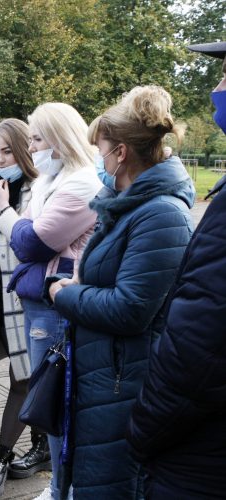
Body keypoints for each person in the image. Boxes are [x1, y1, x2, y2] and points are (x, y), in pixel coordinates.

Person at [47, 85, 195, 499]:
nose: (98, 157)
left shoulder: (161, 214)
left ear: (121, 153)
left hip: (124, 380)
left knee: (113, 485)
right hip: (106, 373)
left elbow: (131, 309)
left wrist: (64, 294)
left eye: (101, 148)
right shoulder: (125, 204)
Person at [127, 41, 226, 500]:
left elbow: (198, 344)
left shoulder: (165, 211)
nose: (217, 88)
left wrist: (144, 429)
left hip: (201, 460)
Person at [0, 103, 102, 500]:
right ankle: (59, 486)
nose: (30, 147)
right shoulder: (52, 181)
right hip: (42, 299)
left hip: (56, 303)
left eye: (36, 138)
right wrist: (24, 225)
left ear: (58, 139)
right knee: (51, 400)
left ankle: (61, 490)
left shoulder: (80, 184)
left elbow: (31, 242)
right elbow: (29, 238)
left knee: (56, 401)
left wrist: (6, 211)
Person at [0, 119, 47, 498]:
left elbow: (30, 245)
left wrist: (4, 209)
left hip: (31, 301)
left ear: (25, 150)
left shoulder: (39, 191)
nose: (2, 159)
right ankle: (42, 445)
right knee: (30, 375)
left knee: (24, 379)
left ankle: (0, 456)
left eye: (9, 151)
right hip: (1, 302)